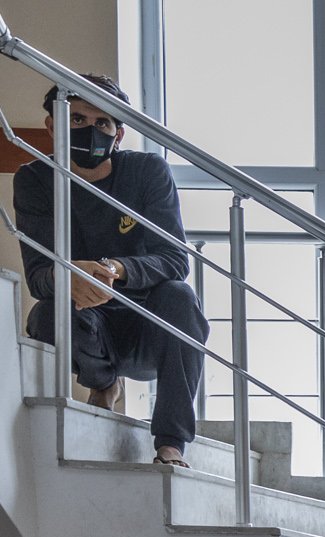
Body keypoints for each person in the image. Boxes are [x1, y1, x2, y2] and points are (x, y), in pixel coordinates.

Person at [13, 78, 206, 466]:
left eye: (103, 123)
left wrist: (115, 269)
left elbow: (174, 259)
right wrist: (69, 275)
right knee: (47, 313)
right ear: (53, 125)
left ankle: (171, 443)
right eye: (78, 118)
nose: (91, 129)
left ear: (118, 134)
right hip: (85, 321)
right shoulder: (33, 180)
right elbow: (38, 276)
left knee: (181, 297)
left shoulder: (148, 171)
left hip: (145, 326)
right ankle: (103, 384)